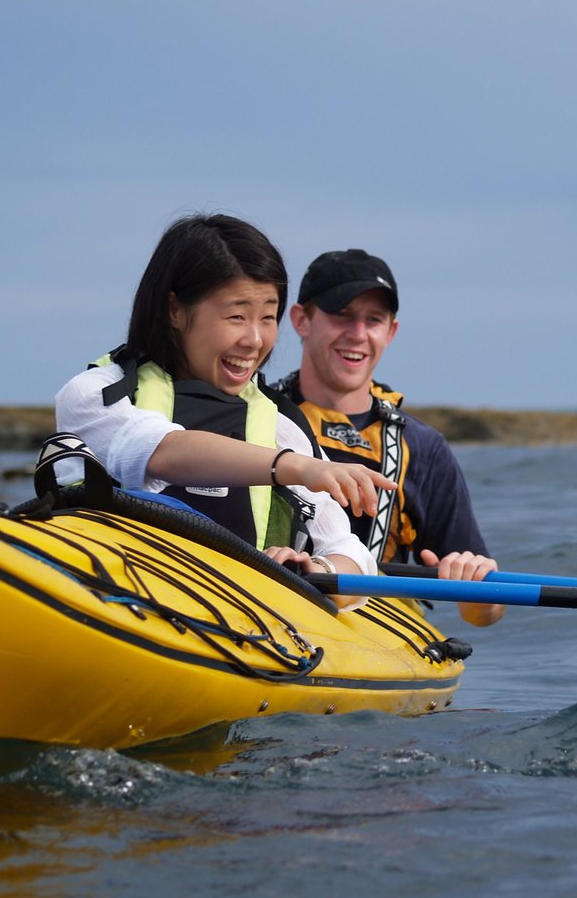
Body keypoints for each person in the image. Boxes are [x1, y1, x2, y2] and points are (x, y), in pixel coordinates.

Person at [54, 214, 392, 608]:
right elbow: (166, 452)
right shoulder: (99, 394)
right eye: (236, 316)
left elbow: (355, 557)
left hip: (238, 628)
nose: (254, 339)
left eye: (268, 316)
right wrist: (300, 467)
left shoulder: (281, 427)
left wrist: (310, 570)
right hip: (116, 601)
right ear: (175, 310)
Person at [274, 249, 504, 627]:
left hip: (377, 634)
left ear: (390, 331)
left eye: (373, 320)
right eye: (342, 315)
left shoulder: (424, 448)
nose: (358, 334)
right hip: (275, 610)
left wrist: (476, 585)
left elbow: (485, 614)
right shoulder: (257, 417)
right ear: (302, 320)